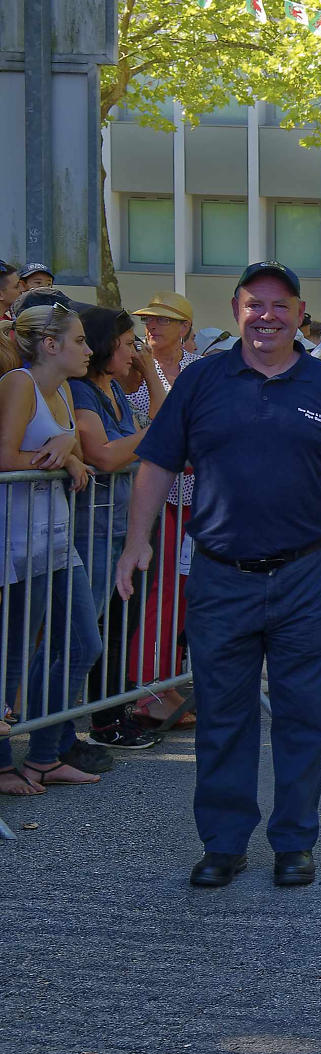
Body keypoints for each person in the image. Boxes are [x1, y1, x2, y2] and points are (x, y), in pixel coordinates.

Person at [117, 261, 321, 889]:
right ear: (236, 310)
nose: (266, 316)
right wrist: (137, 543)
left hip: (306, 578)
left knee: (303, 716)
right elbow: (156, 464)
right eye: (254, 304)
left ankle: (295, 842)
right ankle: (223, 843)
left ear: (298, 315)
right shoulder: (202, 381)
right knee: (223, 717)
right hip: (221, 576)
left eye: (280, 305)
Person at [0, 303, 106, 793]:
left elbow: (77, 453)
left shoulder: (62, 389)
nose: (88, 350)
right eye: (80, 340)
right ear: (50, 345)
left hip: (58, 539)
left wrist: (69, 452)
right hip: (19, 540)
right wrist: (62, 457)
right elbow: (5, 456)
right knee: (14, 652)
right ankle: (5, 764)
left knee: (85, 642)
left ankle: (43, 756)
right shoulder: (18, 383)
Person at [71, 307, 166, 750]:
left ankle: (110, 716)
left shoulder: (113, 389)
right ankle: (69, 728)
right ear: (104, 344)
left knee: (117, 629)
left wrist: (150, 375)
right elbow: (105, 456)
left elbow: (159, 428)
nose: (134, 352)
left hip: (122, 527)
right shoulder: (82, 390)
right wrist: (150, 437)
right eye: (128, 344)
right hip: (93, 527)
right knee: (87, 634)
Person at [126, 291, 199, 728]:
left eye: (163, 320)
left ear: (185, 327)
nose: (152, 326)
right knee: (161, 591)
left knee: (184, 590)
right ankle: (146, 687)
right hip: (154, 498)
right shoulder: (134, 369)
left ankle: (167, 681)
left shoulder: (198, 369)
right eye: (149, 320)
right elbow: (149, 428)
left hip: (196, 496)